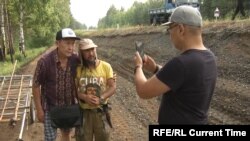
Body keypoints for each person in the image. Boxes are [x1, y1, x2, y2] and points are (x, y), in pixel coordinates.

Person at [134, 6, 217, 124]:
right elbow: (181, 79)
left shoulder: (181, 63)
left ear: (181, 29)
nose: (169, 34)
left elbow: (143, 90)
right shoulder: (210, 58)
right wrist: (155, 68)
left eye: (170, 28)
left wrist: (138, 66)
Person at [32, 28, 80, 141]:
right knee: (50, 138)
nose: (71, 47)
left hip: (68, 106)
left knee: (66, 134)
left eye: (73, 44)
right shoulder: (44, 62)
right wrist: (39, 109)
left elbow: (91, 63)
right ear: (57, 43)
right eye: (67, 43)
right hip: (50, 107)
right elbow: (35, 85)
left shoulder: (75, 59)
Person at [75, 38, 116, 141]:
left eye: (92, 49)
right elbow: (74, 90)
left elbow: (112, 87)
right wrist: (84, 97)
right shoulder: (78, 69)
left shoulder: (106, 67)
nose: (91, 53)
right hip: (84, 113)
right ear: (81, 53)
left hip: (101, 113)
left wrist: (101, 98)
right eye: (87, 51)